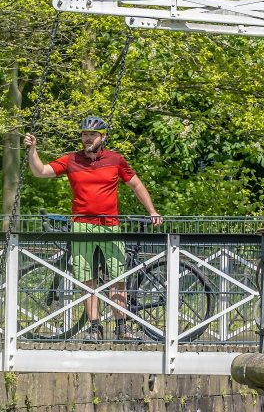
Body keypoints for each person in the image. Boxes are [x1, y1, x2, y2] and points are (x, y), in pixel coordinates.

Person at [24, 116, 163, 341]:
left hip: (110, 226)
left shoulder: (115, 160)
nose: (87, 138)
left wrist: (152, 211)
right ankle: (94, 326)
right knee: (86, 278)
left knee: (117, 277)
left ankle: (121, 326)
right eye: (84, 134)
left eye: (92, 135)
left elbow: (136, 184)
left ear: (103, 137)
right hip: (82, 227)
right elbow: (40, 171)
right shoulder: (72, 160)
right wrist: (32, 150)